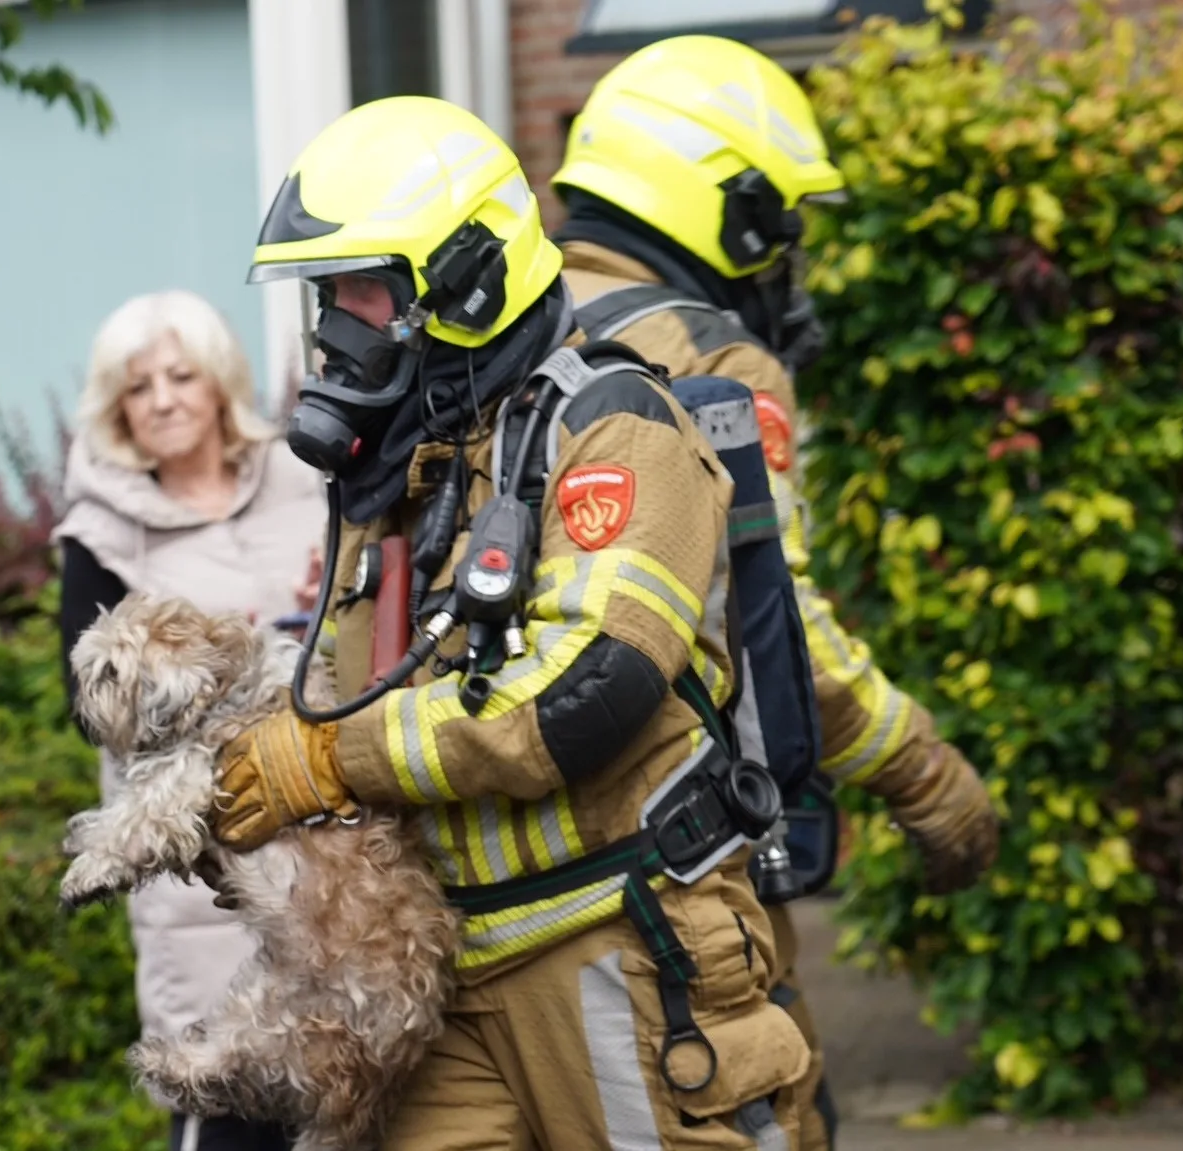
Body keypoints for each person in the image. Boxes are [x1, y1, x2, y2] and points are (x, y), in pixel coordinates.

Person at [209, 94, 816, 1149]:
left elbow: (585, 692)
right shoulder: (397, 473)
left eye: (361, 291)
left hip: (616, 944)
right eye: (325, 296)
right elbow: (348, 694)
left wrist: (322, 761)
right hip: (440, 975)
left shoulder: (613, 428)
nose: (333, 328)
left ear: (466, 283)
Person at [549, 35, 1003, 1151]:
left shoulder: (505, 331)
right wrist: (926, 774)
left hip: (497, 882)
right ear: (730, 208)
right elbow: (774, 624)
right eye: (780, 229)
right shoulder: (708, 360)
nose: (785, 260)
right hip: (672, 870)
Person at [52, 288, 325, 1151]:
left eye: (181, 376)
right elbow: (91, 713)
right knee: (228, 1097)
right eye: (140, 388)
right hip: (198, 864)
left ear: (219, 384)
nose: (164, 399)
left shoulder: (307, 479)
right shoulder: (99, 533)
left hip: (330, 842)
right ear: (117, 409)